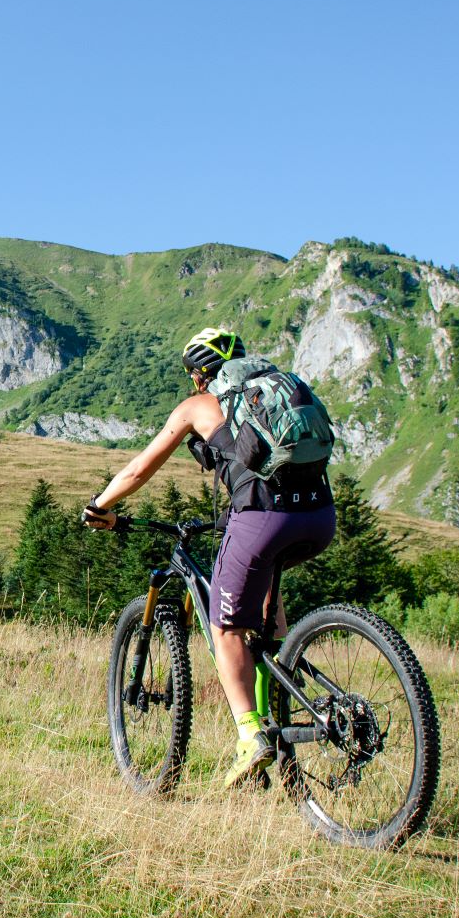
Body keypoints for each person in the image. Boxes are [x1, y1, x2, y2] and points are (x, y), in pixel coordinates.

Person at [81, 327, 337, 788]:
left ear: (199, 375)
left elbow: (140, 468)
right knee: (265, 621)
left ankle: (250, 735)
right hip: (319, 516)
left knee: (225, 628)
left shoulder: (200, 405)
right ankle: (279, 721)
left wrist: (100, 506)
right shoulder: (272, 391)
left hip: (264, 518)